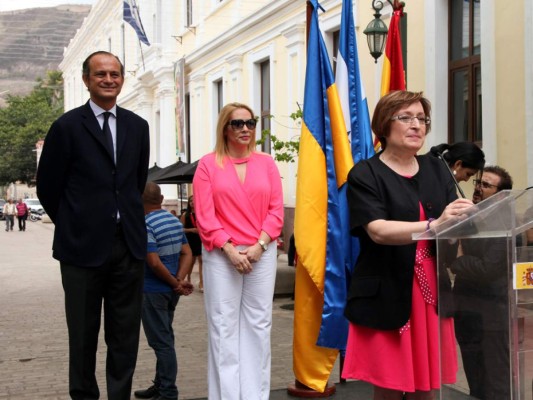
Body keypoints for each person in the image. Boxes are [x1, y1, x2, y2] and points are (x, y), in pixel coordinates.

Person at [342, 90, 474, 400]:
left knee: (426, 387)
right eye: (406, 118)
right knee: (389, 385)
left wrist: (464, 217)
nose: (417, 125)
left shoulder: (437, 167)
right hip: (389, 288)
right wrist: (434, 225)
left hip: (431, 290)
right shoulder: (365, 173)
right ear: (385, 126)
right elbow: (378, 230)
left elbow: (452, 218)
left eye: (421, 119)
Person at [36, 50, 150, 400]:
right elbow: (47, 187)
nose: (108, 80)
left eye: (115, 74)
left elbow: (135, 182)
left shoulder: (137, 126)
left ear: (122, 79)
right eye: (100, 74)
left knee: (124, 334)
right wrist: (76, 223)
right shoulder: (67, 127)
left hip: (127, 247)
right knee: (83, 335)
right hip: (81, 249)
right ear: (87, 80)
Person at [192, 102, 284, 400]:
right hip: (221, 254)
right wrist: (229, 249)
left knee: (259, 325)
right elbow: (204, 215)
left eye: (250, 122)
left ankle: (256, 396)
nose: (245, 128)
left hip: (262, 252)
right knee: (223, 326)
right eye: (237, 123)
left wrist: (259, 245)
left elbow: (276, 211)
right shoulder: (208, 164)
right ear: (225, 128)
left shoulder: (267, 163)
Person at [450, 165, 513, 399]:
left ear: (500, 194)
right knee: (475, 378)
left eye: (486, 185)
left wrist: (459, 259)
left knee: (496, 380)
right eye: (478, 182)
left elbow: (487, 269)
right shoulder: (467, 219)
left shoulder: (507, 224)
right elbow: (449, 252)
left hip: (492, 314)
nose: (478, 188)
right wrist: (459, 257)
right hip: (465, 309)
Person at [134, 182, 194, 400]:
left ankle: (168, 392)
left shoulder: (144, 224)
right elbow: (187, 253)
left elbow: (153, 262)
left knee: (162, 343)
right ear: (160, 200)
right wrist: (178, 280)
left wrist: (174, 283)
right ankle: (160, 385)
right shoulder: (173, 220)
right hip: (170, 292)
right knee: (165, 337)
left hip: (153, 291)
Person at [180, 195, 204, 291]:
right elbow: (181, 229)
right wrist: (192, 230)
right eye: (190, 201)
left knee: (201, 260)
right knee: (191, 261)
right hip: (191, 239)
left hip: (200, 238)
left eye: (194, 201)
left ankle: (201, 283)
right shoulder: (185, 215)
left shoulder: (201, 213)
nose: (192, 203)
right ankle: (188, 277)